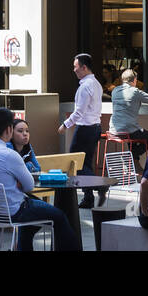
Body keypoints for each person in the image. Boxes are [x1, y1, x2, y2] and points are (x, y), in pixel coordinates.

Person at [0, 107, 80, 251]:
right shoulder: (9, 155)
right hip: (14, 211)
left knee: (29, 225)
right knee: (60, 216)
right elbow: (29, 186)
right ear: (8, 129)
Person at [57, 53, 103, 208]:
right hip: (95, 127)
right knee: (86, 163)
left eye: (76, 67)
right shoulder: (96, 84)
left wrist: (65, 124)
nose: (74, 70)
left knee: (76, 163)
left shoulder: (85, 86)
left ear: (84, 67)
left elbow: (79, 112)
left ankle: (99, 186)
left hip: (85, 128)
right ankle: (88, 198)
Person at [110, 69, 148, 165]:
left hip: (113, 129)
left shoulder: (114, 91)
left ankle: (134, 165)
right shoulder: (135, 91)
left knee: (133, 140)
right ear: (134, 80)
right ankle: (130, 158)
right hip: (128, 129)